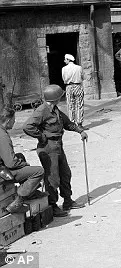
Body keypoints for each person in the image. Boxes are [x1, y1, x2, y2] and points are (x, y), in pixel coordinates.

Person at [23, 85, 88, 217]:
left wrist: (80, 131)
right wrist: (41, 136)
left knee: (65, 174)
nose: (61, 98)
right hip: (48, 147)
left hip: (58, 145)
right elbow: (27, 126)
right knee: (52, 178)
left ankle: (68, 201)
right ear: (55, 98)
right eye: (59, 96)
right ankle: (52, 205)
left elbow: (67, 123)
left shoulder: (55, 109)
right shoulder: (42, 111)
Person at [0, 107, 45, 214]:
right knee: (39, 171)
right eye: (14, 119)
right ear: (8, 120)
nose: (15, 122)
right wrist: (25, 164)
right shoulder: (2, 136)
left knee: (20, 156)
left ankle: (30, 192)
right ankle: (18, 202)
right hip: (2, 171)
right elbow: (11, 162)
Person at [62, 54, 84, 126]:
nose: (64, 61)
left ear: (68, 60)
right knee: (79, 104)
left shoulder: (64, 69)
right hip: (78, 86)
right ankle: (79, 123)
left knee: (70, 105)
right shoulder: (79, 68)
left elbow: (64, 79)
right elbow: (82, 77)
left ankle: (72, 123)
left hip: (69, 86)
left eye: (65, 59)